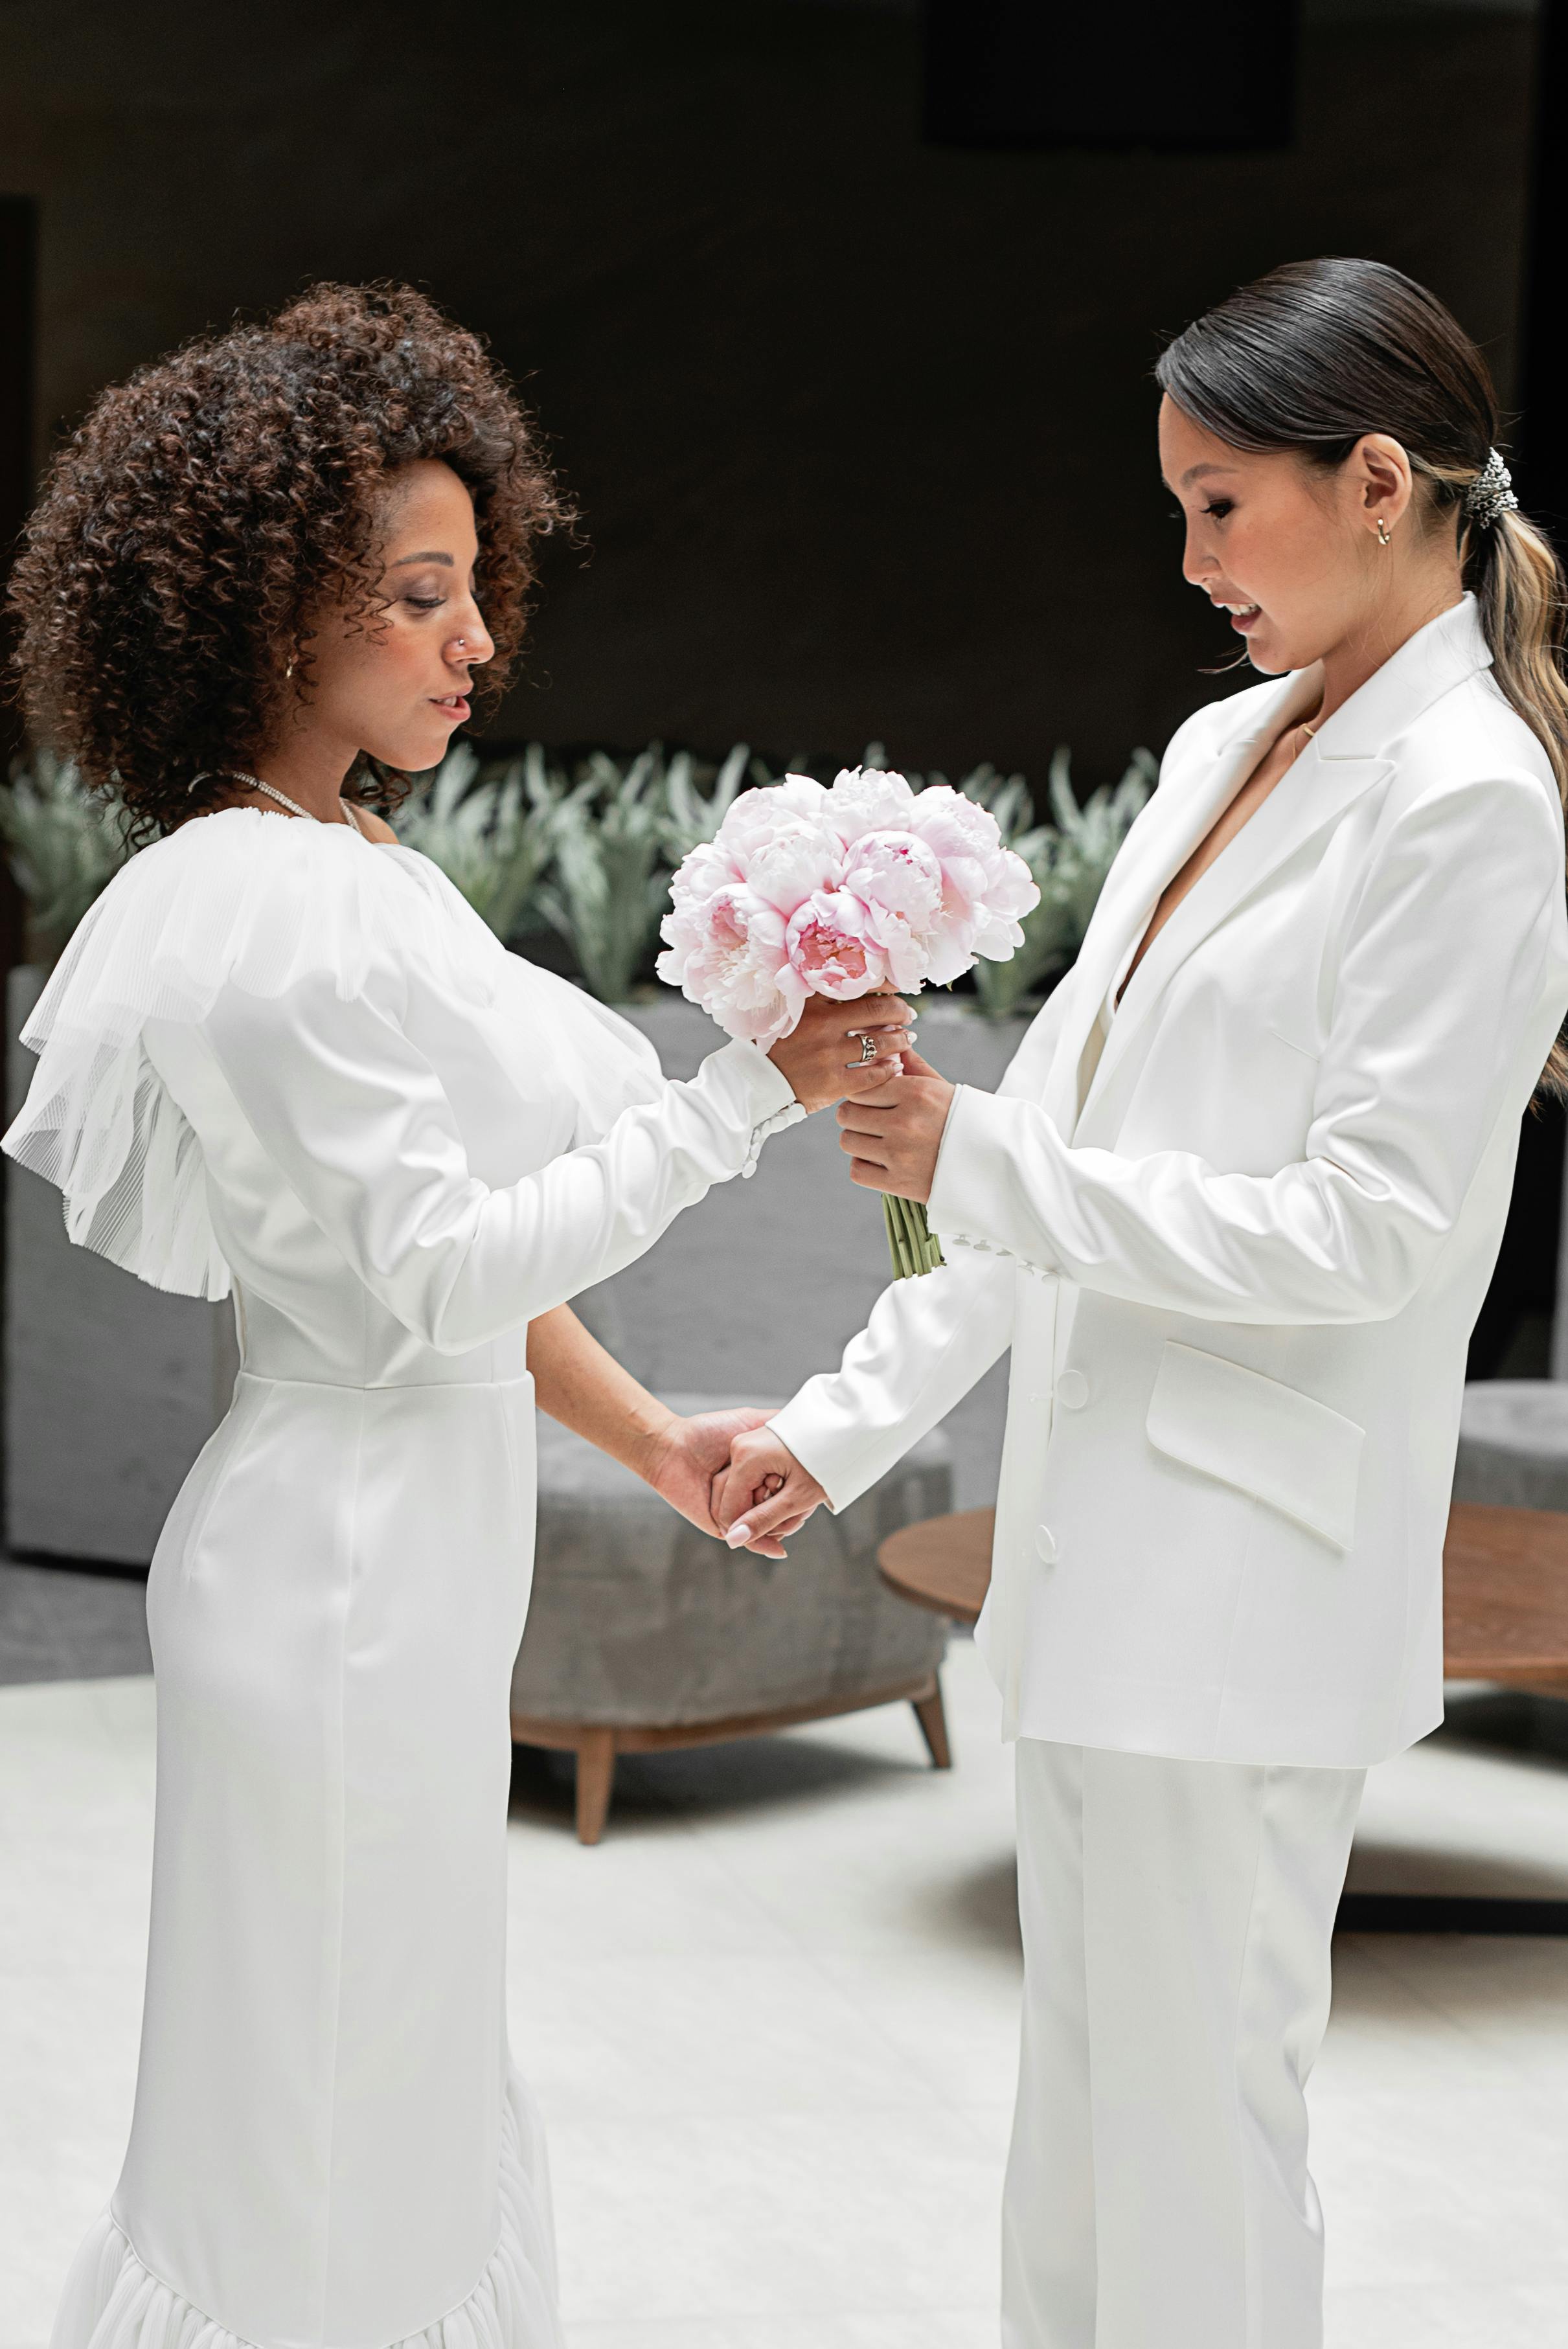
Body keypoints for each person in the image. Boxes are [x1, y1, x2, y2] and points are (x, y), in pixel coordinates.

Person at [4, 283, 913, 2349]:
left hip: (397, 1541)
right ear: (266, 609)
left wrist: (653, 1432)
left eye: (474, 583)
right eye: (418, 595)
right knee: (314, 2110)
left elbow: (434, 1293)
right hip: (337, 1575)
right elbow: (425, 1277)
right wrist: (736, 1104)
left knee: (376, 2070)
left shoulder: (356, 867)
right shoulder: (270, 912)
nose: (478, 636)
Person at [712, 257, 1568, 2348]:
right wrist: (832, 1428)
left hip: (1253, 1585)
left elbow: (1365, 1229)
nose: (1191, 561)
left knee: (1202, 2145)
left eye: (1219, 505)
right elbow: (1047, 1147)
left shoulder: (1472, 803)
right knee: (1083, 2132)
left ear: (1380, 481)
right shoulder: (1213, 751)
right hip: (1103, 1568)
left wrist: (985, 1155)